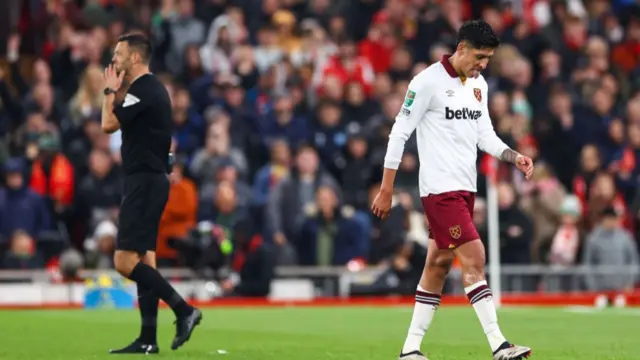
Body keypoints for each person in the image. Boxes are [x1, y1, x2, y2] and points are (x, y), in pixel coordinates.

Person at [371, 20, 533, 360]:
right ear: (461, 49)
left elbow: (484, 135)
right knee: (474, 257)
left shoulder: (479, 86)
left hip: (465, 188)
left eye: (488, 58)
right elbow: (399, 133)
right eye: (479, 56)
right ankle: (499, 345)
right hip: (439, 191)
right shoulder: (426, 82)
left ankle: (410, 350)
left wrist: (512, 156)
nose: (483, 65)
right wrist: (387, 188)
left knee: (438, 263)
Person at [100, 33, 202, 354]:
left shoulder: (143, 89)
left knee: (124, 261)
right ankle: (147, 339)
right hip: (148, 179)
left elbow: (107, 124)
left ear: (134, 58)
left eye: (118, 53)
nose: (113, 59)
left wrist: (108, 90)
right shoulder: (148, 90)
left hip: (144, 181)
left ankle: (184, 309)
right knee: (146, 258)